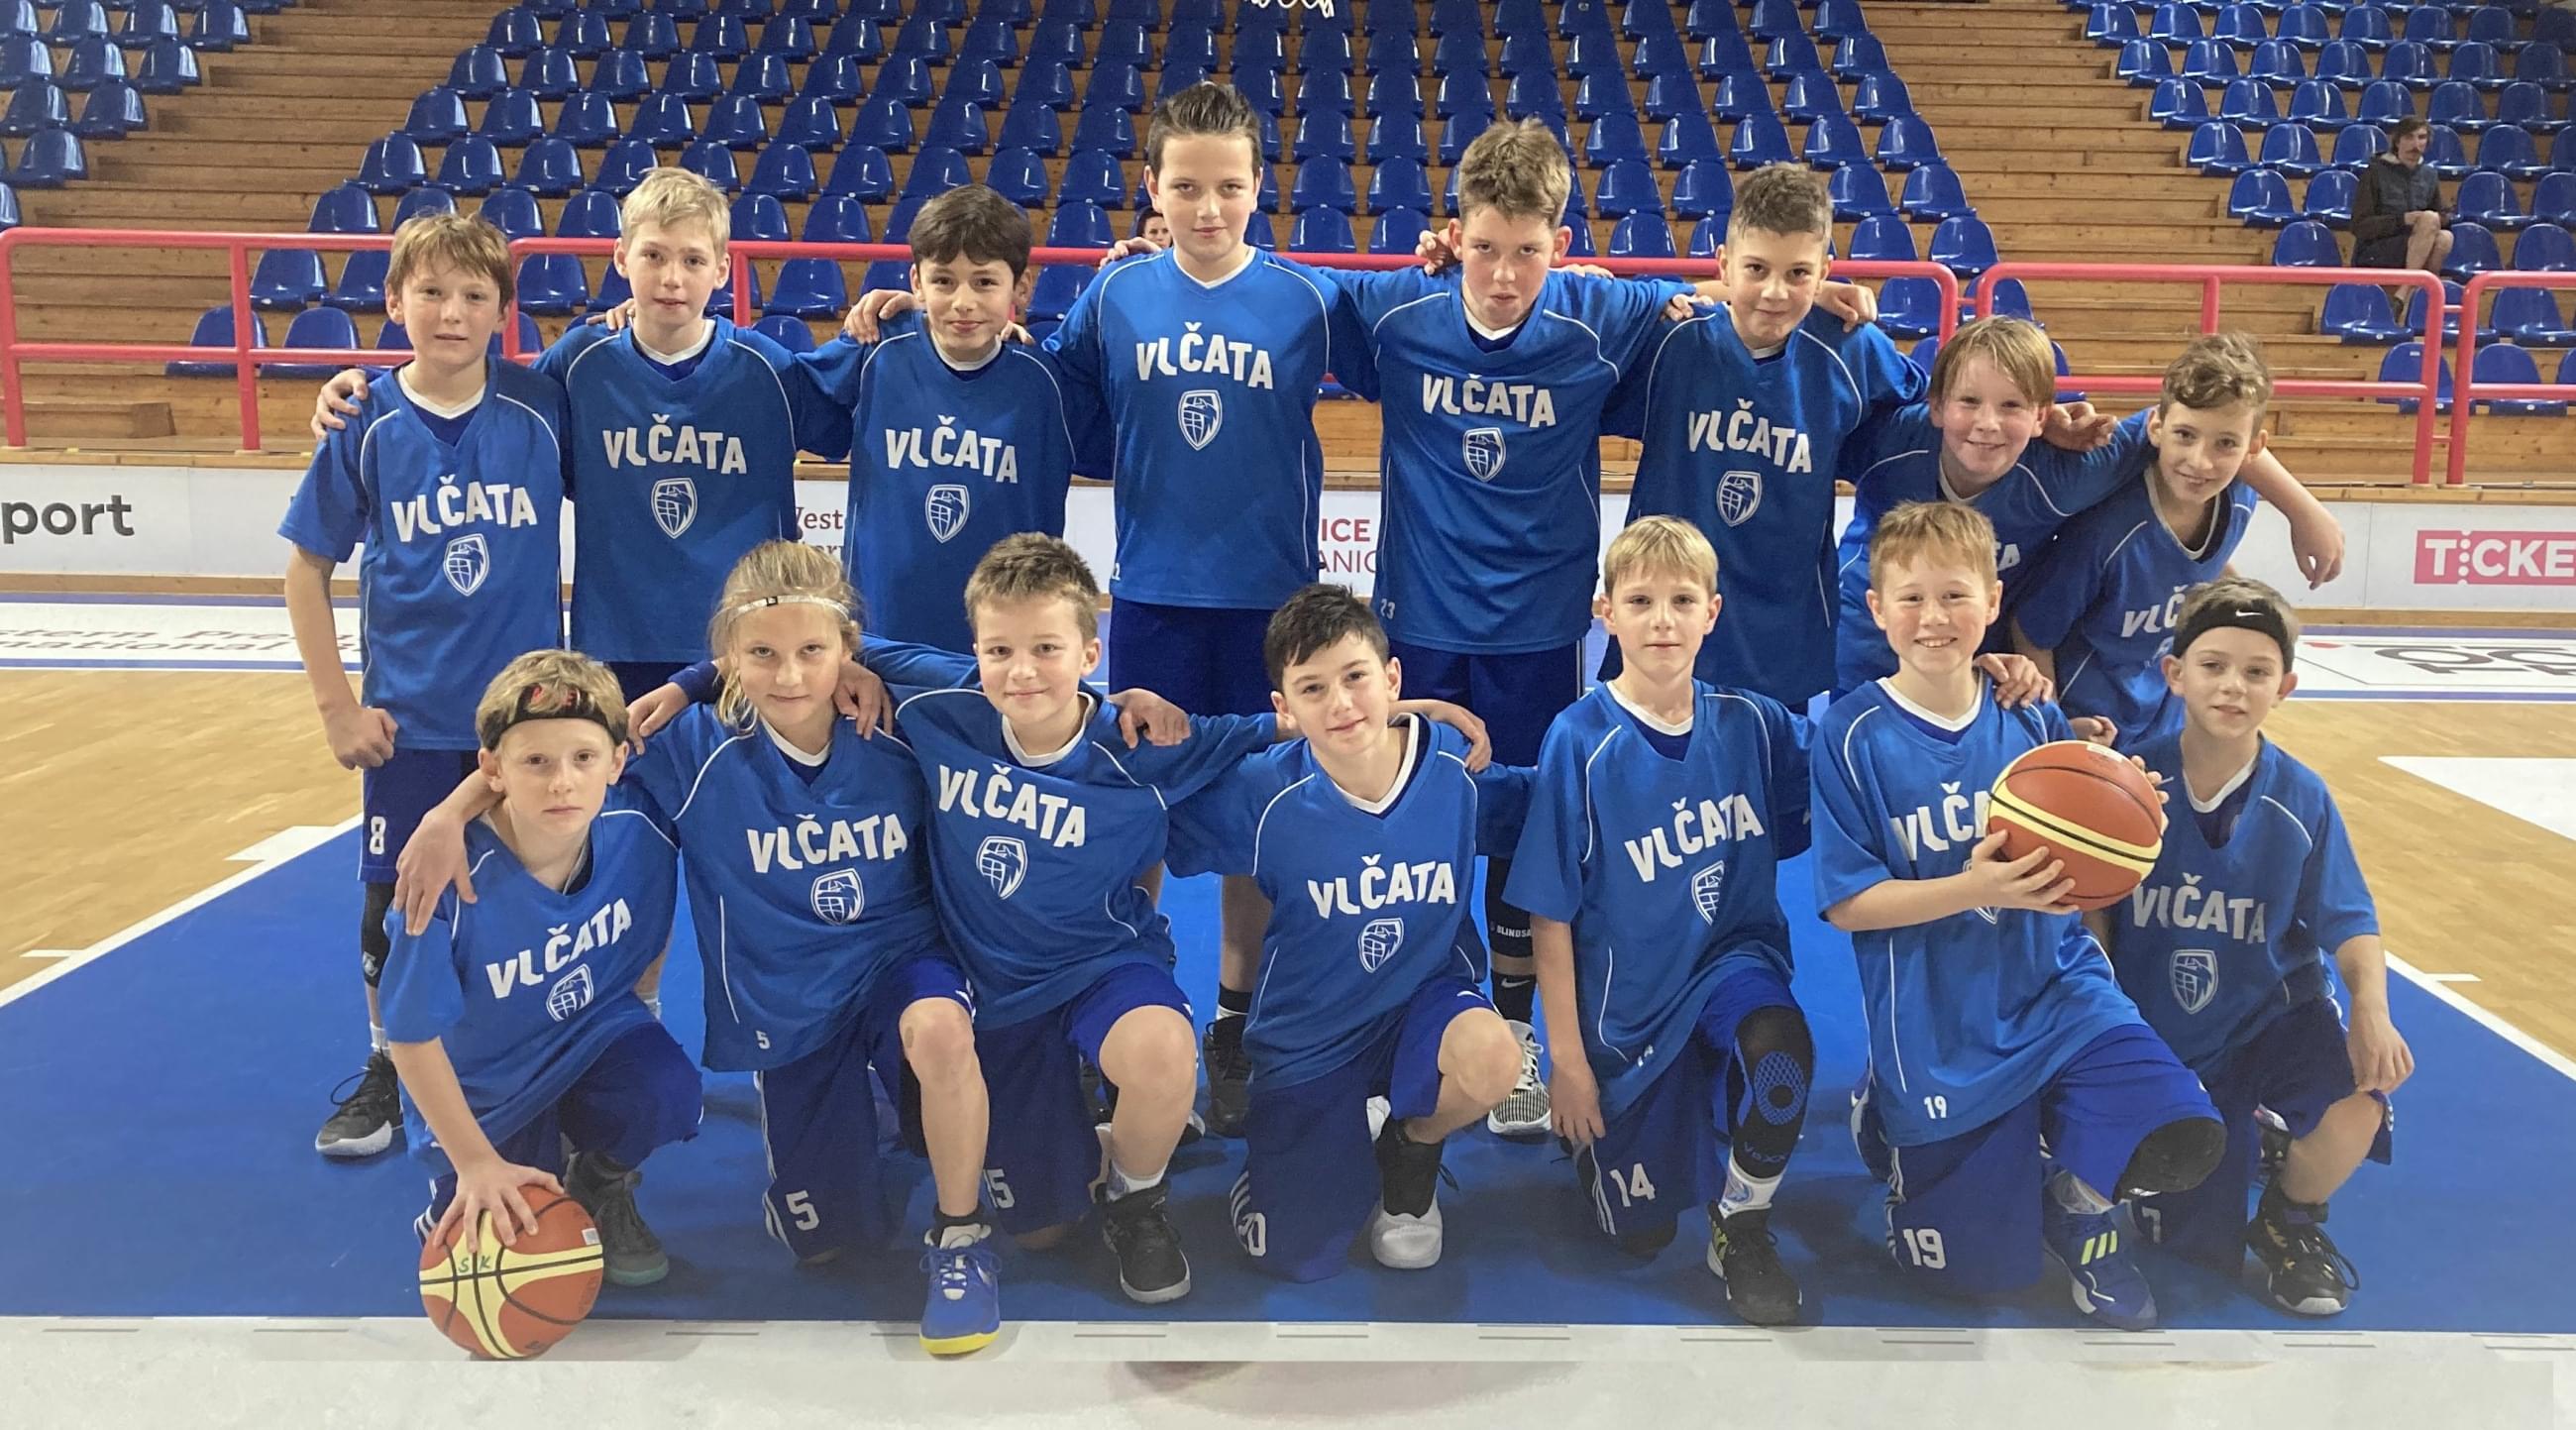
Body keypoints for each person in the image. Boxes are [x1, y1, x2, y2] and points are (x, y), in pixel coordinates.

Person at [848, 83, 1375, 1139]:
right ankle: (1114, 997)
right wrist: (908, 315)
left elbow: (1429, 330)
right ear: (1152, 188)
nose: (1208, 207)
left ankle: (1234, 1023)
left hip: (1271, 603)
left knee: (1257, 819)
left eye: (1228, 186)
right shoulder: (1114, 294)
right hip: (1150, 599)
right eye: (1186, 186)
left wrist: (1581, 284)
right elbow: (1028, 377)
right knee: (1121, 814)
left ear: (1258, 187)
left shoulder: (1310, 298)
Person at [399, 543, 1005, 1353]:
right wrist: (449, 810)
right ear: (730, 657)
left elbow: (1011, 684)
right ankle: (871, 1133)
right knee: (832, 1245)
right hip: (792, 1006)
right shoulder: (690, 746)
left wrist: (848, 662)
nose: (790, 675)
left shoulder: (898, 718)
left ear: (849, 648)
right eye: (762, 654)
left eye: (814, 651)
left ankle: (960, 1235)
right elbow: (565, 749)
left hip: (901, 966)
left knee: (940, 1029)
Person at [1817, 500, 2225, 1332]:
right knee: (1977, 1276)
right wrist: (1977, 887)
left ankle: (2079, 1207)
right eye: (1912, 598)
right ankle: (1890, 1110)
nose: (1935, 617)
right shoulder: (1852, 734)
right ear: (1877, 609)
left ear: (1993, 599)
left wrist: (2121, 809)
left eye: (1955, 595)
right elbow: (1850, 904)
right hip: (1940, 1023)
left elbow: (2086, 844)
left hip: (2058, 989)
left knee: (2179, 1129)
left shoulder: (2031, 714)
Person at [280, 212, 571, 1161]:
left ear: (503, 310)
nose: (451, 313)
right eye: (431, 292)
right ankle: (387, 1064)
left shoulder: (543, 406)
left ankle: (535, 1056)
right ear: (393, 300)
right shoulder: (364, 422)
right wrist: (336, 708)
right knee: (393, 906)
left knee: (529, 896)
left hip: (527, 721)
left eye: (474, 295)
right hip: (410, 720)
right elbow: (305, 567)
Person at [1164, 584, 1528, 1280]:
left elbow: (1549, 807)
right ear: (1285, 707)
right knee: (1296, 1256)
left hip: (1423, 1007)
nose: (1340, 703)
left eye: (1356, 677)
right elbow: (1147, 816)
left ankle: (1412, 1148)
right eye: (1313, 688)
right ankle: (1289, 1169)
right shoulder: (1262, 792)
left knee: (1492, 1055)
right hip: (1311, 1033)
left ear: (1392, 678)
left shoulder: (1452, 766)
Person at [1508, 517, 1816, 1325]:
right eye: (1641, 601)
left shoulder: (1755, 722)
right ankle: (1611, 1135)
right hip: (1629, 1018)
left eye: (1682, 601)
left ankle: (1742, 1222)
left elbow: (1862, 751)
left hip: (1730, 966)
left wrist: (1979, 674)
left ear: (1712, 611)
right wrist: (1567, 1063)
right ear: (1605, 612)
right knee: (1637, 1235)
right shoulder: (1579, 741)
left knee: (1780, 1055)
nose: (1662, 621)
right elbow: (1549, 915)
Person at [2099, 577, 2407, 1318]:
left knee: (2360, 1102)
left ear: (2285, 686)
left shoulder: (2302, 797)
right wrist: (2104, 1007)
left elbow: (2349, 918)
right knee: (2189, 1244)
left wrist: (2372, 1008)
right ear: (2174, 673)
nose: (2233, 685)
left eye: (2257, 671)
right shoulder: (2128, 782)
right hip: (2155, 1031)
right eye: (2213, 665)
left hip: (2268, 1017)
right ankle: (2235, 1132)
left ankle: (2289, 1220)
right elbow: (2092, 906)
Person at [379, 651, 698, 1288]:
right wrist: (474, 1164)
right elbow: (410, 1038)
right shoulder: (442, 881)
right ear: (492, 769)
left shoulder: (642, 819)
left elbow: (765, 673)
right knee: (510, 1259)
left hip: (591, 1037)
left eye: (583, 758)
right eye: (536, 763)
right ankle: (461, 1183)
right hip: (489, 1086)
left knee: (667, 1091)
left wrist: (647, 1006)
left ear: (616, 761)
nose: (562, 782)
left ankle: (600, 1181)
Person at [1830, 317, 2346, 701]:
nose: (1987, 424)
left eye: (2011, 406)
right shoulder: (1890, 444)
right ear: (1937, 407)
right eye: (1969, 402)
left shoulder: (2067, 474)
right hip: (1874, 632)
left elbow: (2198, 420)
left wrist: (2304, 511)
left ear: (2042, 416)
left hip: (1986, 644)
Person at [1604, 162, 1927, 712]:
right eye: (1756, 269)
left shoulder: (1852, 348)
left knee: (1774, 766)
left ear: (1824, 272)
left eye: (1798, 273)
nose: (1775, 292)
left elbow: (1938, 408)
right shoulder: (1670, 343)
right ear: (1724, 263)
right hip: (1667, 627)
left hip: (1782, 633)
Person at [800, 184, 1107, 653]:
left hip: (1005, 649)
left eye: (984, 283)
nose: (963, 301)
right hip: (880, 641)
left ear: (1021, 288)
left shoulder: (1047, 384)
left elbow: (1137, 444)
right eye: (943, 281)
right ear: (916, 282)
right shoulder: (875, 351)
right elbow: (792, 404)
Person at [2011, 334, 2275, 751]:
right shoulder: (2106, 533)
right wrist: (2057, 730)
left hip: (2164, 715)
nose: (2200, 461)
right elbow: (2031, 631)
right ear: (2155, 427)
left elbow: (2200, 569)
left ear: (2254, 448)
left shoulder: (2241, 500)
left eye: (2225, 443)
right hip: (2092, 720)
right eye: (2185, 435)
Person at [2349, 117, 2453, 277]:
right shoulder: (2374, 173)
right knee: (2429, 220)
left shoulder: (2429, 175)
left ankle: (2412, 288)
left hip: (2417, 243)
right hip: (2377, 249)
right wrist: (2403, 220)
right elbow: (2359, 226)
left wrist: (2434, 219)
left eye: (2421, 137)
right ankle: (2412, 287)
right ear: (2397, 142)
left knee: (2445, 237)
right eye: (2409, 137)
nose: (2415, 144)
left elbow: (2442, 214)